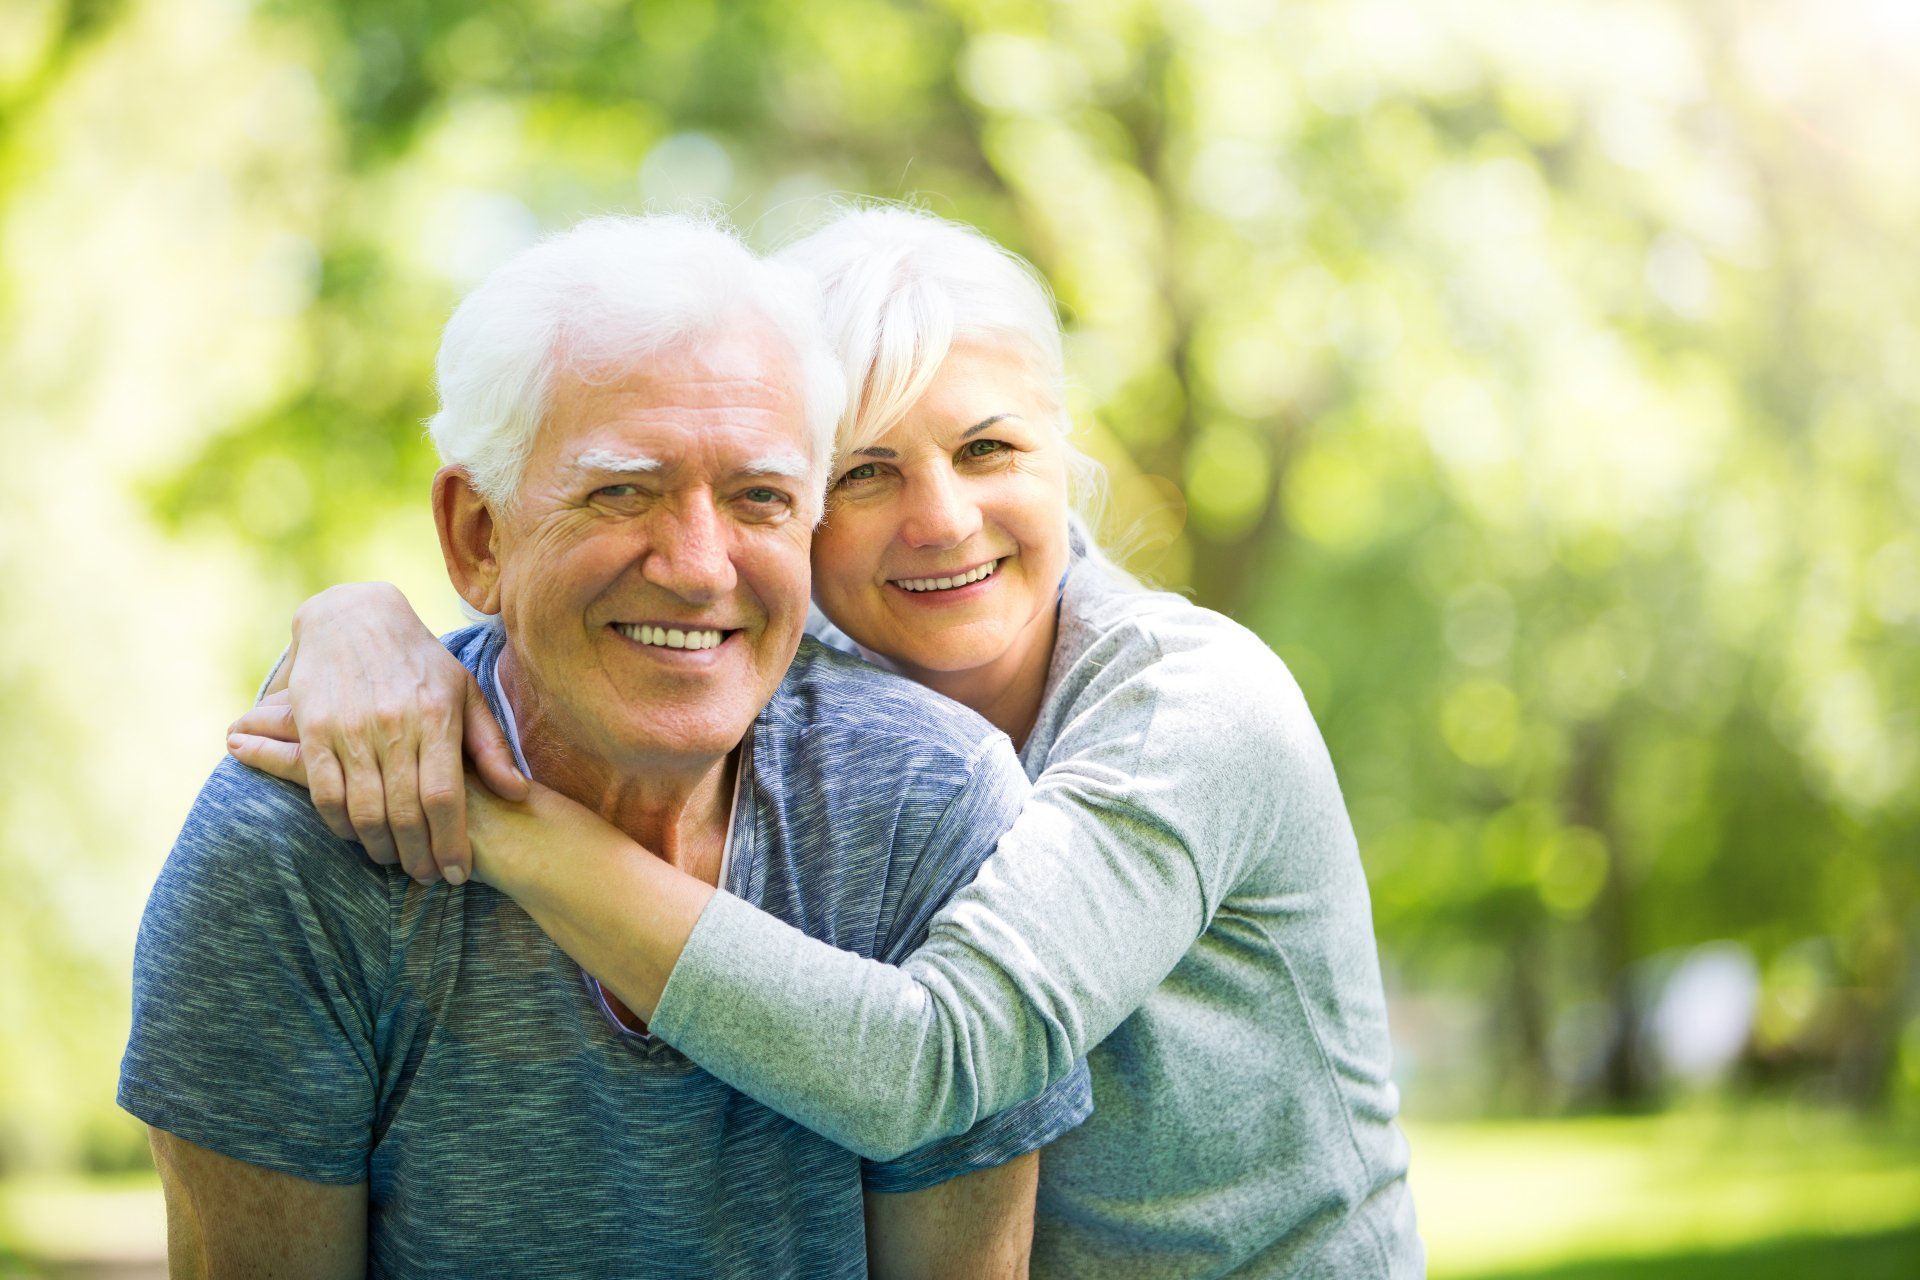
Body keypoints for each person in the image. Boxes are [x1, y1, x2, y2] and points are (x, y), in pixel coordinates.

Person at [232, 205, 1423, 1277]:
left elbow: (935, 1063)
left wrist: (508, 829)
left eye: (990, 448)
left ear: (1064, 457)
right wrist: (351, 628)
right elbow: (564, 610)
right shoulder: (799, 693)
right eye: (864, 472)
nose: (942, 518)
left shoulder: (1192, 706)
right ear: (792, 510)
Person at [123, 213, 1092, 1278]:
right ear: (477, 536)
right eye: (621, 489)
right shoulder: (293, 855)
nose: (698, 565)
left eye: (759, 498)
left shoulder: (927, 805)